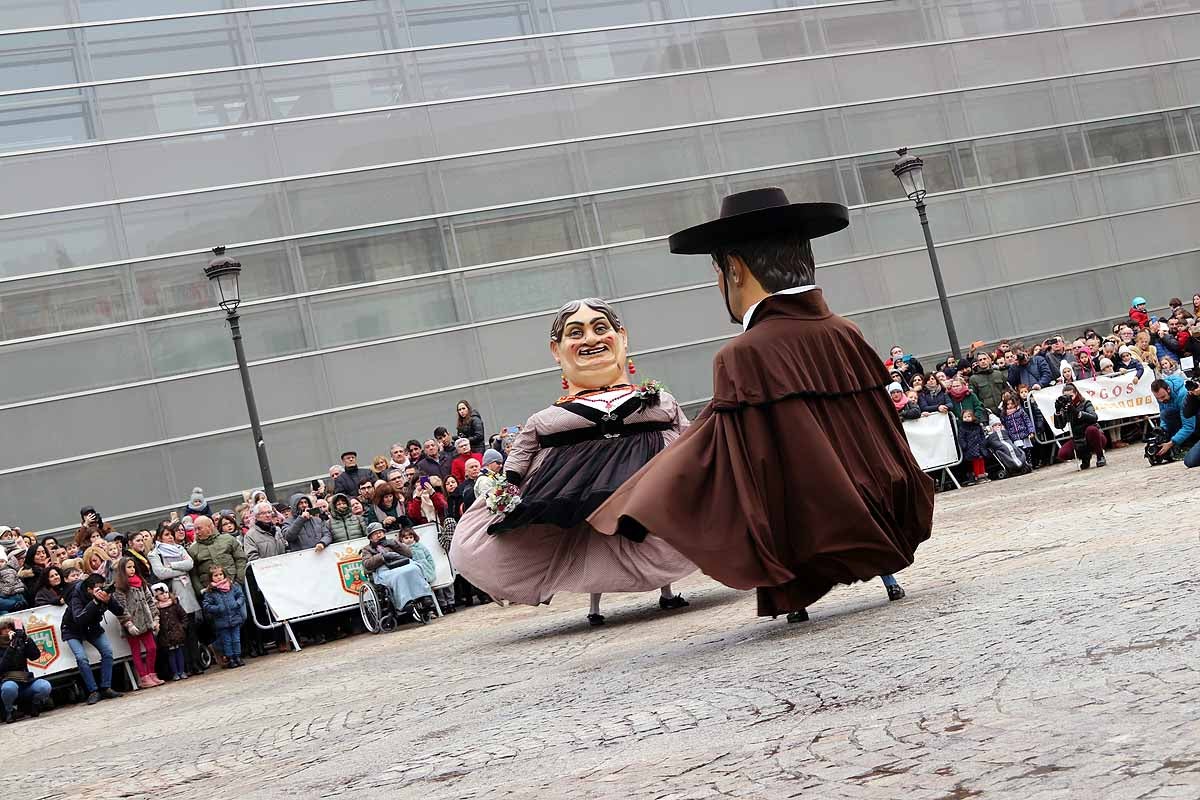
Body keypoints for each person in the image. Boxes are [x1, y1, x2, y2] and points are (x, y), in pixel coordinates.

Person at [590, 188, 932, 623]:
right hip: (881, 508)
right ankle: (882, 572)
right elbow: (882, 432)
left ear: (734, 270)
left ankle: (800, 594)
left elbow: (738, 450)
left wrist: (644, 500)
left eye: (717, 272)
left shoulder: (743, 354)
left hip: (807, 526)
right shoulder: (846, 331)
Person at [452, 298, 695, 626]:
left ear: (621, 337)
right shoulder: (547, 418)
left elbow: (688, 437)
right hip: (578, 488)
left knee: (650, 533)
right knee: (591, 543)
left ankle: (664, 592)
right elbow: (523, 450)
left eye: (600, 328)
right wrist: (509, 484)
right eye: (576, 332)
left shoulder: (657, 401)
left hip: (644, 480)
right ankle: (596, 606)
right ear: (557, 349)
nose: (591, 339)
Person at [62, 574, 125, 704]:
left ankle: (106, 687)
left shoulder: (104, 594)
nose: (101, 591)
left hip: (93, 627)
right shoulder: (76, 596)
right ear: (89, 590)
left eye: (102, 588)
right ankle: (93, 691)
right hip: (72, 629)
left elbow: (120, 611)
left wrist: (108, 601)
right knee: (81, 658)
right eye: (97, 589)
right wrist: (95, 602)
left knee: (107, 652)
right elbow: (79, 619)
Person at [359, 523, 434, 623]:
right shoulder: (367, 549)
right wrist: (382, 557)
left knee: (415, 568)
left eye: (380, 532)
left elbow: (408, 554)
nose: (379, 535)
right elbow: (367, 564)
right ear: (370, 537)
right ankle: (404, 603)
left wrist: (394, 544)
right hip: (383, 569)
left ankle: (425, 596)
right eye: (375, 533)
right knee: (398, 576)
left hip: (401, 563)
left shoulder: (392, 543)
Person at [112, 556, 162, 688]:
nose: (132, 569)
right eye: (129, 567)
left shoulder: (141, 582)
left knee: (152, 648)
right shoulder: (119, 587)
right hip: (132, 624)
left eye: (133, 566)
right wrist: (128, 623)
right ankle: (143, 676)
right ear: (122, 569)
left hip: (145, 621)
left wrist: (155, 618)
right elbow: (120, 607)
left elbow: (150, 601)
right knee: (136, 651)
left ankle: (151, 673)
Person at [0, 616, 53, 723]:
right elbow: (1, 667)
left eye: (10, 627)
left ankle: (33, 705)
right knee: (9, 687)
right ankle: (8, 711)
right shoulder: (8, 646)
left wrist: (26, 639)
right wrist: (11, 648)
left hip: (25, 680)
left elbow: (35, 656)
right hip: (6, 681)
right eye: (4, 628)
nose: (8, 630)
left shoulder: (20, 641)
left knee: (44, 686)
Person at [202, 566, 247, 669]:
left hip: (235, 617)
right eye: (215, 575)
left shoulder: (232, 586)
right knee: (227, 641)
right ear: (211, 578)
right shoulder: (210, 591)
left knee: (236, 639)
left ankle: (237, 656)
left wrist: (237, 603)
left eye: (220, 574)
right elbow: (206, 605)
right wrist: (217, 608)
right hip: (221, 621)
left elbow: (241, 596)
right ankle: (230, 658)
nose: (219, 577)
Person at [1052, 382, 1106, 468]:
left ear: (1076, 393)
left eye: (1071, 396)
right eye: (1066, 397)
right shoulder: (1065, 408)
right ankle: (1085, 457)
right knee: (1063, 453)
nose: (1069, 399)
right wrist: (1057, 412)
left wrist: (1077, 413)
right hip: (1078, 438)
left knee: (1091, 430)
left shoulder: (1085, 403)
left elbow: (1094, 417)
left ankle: (1100, 456)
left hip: (1094, 435)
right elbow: (1060, 426)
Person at [188, 516, 247, 592]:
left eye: (199, 528)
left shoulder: (228, 539)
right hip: (211, 591)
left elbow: (241, 559)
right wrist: (201, 590)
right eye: (195, 529)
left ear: (209, 527)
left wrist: (239, 580)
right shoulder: (193, 550)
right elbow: (193, 574)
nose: (196, 532)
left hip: (234, 585)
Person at [1150, 375, 1200, 466]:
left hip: (1194, 422)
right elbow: (1163, 416)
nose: (1161, 400)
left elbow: (1188, 426)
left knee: (1190, 461)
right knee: (1166, 414)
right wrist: (1162, 432)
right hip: (1180, 419)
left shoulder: (1183, 394)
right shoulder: (1161, 395)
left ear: (1168, 390)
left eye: (1163, 397)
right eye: (1158, 398)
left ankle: (1189, 442)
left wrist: (1171, 442)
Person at [151, 583, 189, 681]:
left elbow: (184, 616)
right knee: (171, 655)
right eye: (161, 594)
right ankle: (175, 672)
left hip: (178, 634)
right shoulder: (157, 609)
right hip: (166, 636)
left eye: (166, 593)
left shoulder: (175, 605)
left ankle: (182, 671)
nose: (165, 595)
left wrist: (182, 627)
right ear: (156, 596)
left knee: (179, 652)